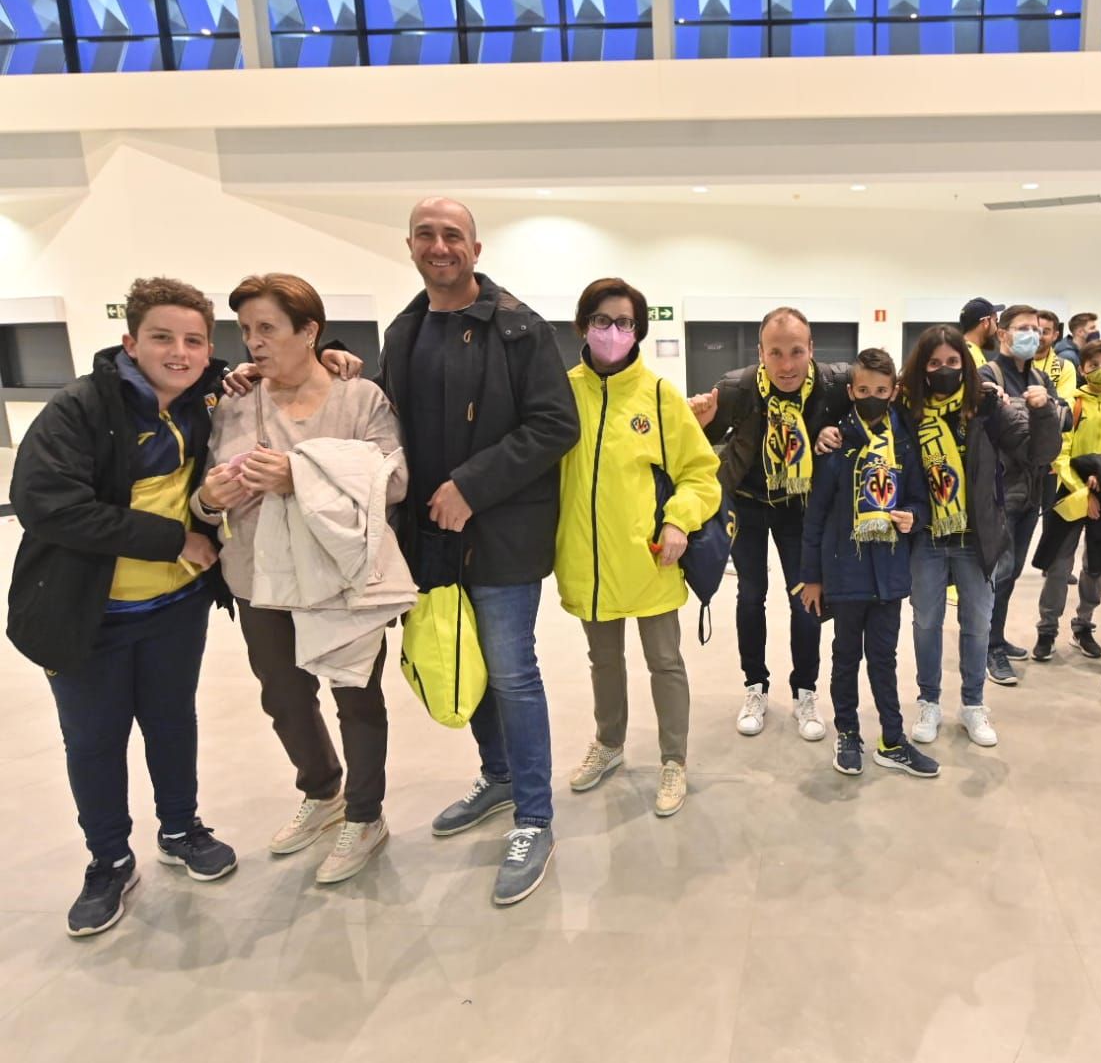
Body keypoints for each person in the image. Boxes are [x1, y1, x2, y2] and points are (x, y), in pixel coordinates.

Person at [9, 277, 239, 936]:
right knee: (94, 742)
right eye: (162, 337)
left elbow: (275, 367)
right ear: (129, 342)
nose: (180, 351)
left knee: (172, 723)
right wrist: (175, 539)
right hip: (87, 616)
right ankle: (109, 860)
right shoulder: (80, 408)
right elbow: (48, 505)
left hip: (176, 608)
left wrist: (332, 350)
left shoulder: (206, 401)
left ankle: (181, 827)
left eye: (194, 339)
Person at [382, 197, 581, 907]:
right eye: (427, 235)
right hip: (430, 535)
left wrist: (471, 485)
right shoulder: (403, 329)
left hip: (501, 533)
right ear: (410, 245)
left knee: (511, 672)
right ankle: (496, 776)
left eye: (453, 236)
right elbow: (390, 415)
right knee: (459, 655)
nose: (440, 246)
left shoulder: (518, 329)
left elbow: (556, 425)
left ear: (476, 247)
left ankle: (534, 816)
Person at [191, 274, 408, 885]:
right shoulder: (233, 399)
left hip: (342, 577)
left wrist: (300, 475)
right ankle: (323, 792)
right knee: (283, 696)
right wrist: (210, 500)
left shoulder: (358, 396)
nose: (253, 343)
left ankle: (365, 816)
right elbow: (207, 494)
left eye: (267, 329)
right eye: (245, 331)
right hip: (258, 577)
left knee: (357, 698)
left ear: (309, 332)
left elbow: (394, 480)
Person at [556, 279, 722, 818]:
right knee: (603, 661)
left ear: (638, 332)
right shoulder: (561, 392)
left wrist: (678, 522)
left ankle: (673, 759)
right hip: (587, 559)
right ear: (584, 325)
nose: (612, 332)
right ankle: (609, 743)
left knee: (664, 662)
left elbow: (701, 474)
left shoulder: (658, 395)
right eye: (602, 321)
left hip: (653, 557)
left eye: (624, 323)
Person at [689, 307, 849, 741]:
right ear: (760, 353)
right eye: (775, 353)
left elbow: (884, 396)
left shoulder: (834, 385)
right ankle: (755, 685)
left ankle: (805, 691)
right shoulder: (737, 390)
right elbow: (691, 444)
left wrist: (836, 437)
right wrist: (697, 423)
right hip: (749, 505)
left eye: (796, 352)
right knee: (750, 596)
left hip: (801, 508)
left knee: (806, 599)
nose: (787, 365)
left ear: (811, 350)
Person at [799, 348, 939, 779]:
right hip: (844, 572)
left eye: (881, 390)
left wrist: (915, 517)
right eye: (864, 391)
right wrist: (811, 578)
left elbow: (921, 500)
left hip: (890, 575)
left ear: (894, 391)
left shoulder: (904, 442)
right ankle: (847, 733)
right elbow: (816, 515)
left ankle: (892, 740)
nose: (873, 397)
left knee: (884, 658)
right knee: (845, 658)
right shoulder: (836, 444)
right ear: (851, 391)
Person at [900, 325, 1039, 748]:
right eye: (935, 363)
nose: (944, 370)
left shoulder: (985, 406)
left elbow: (1032, 450)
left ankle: (973, 703)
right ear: (922, 367)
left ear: (966, 364)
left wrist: (1044, 411)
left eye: (953, 362)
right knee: (926, 622)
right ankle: (929, 700)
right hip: (927, 534)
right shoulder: (908, 409)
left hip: (976, 535)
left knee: (977, 624)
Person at [1032, 339, 1101, 662]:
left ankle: (1084, 625)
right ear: (1082, 369)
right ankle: (1046, 629)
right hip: (1069, 496)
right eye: (1093, 365)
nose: (1100, 371)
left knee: (1095, 567)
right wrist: (1084, 489)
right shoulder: (1071, 406)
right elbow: (1060, 451)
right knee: (1058, 566)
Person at [976, 305, 1064, 686]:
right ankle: (987, 646)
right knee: (998, 572)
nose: (1033, 335)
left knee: (1011, 574)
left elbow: (1060, 427)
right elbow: (1005, 434)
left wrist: (1045, 411)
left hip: (1033, 492)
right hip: (999, 491)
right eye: (1024, 328)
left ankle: (996, 636)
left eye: (1039, 329)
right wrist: (1037, 414)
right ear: (1003, 333)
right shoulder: (987, 375)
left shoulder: (1042, 378)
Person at [1034, 309, 1079, 398]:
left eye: (1045, 332)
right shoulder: (1014, 362)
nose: (1039, 336)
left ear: (1055, 336)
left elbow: (1065, 405)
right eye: (1035, 331)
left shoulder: (1065, 367)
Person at [960, 297, 999, 368]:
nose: (996, 328)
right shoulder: (971, 356)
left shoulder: (966, 350)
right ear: (985, 322)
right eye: (995, 321)